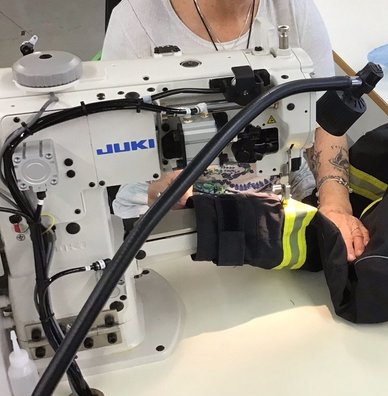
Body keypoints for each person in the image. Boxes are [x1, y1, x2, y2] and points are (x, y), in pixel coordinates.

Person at [102, 0, 369, 261]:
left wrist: (335, 205)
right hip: (168, 192)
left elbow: (322, 120)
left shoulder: (294, 9)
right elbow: (116, 135)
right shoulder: (135, 20)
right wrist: (163, 186)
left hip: (281, 182)